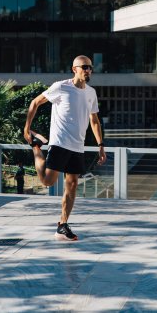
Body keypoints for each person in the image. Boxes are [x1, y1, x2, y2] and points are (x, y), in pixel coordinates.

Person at [24, 55, 106, 241]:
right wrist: (27, 127)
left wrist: (101, 145)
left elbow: (94, 120)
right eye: (84, 67)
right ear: (74, 69)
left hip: (78, 145)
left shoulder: (91, 93)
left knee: (73, 184)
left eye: (90, 68)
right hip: (60, 142)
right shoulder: (61, 87)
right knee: (47, 182)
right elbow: (35, 102)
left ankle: (62, 225)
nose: (88, 71)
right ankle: (36, 147)